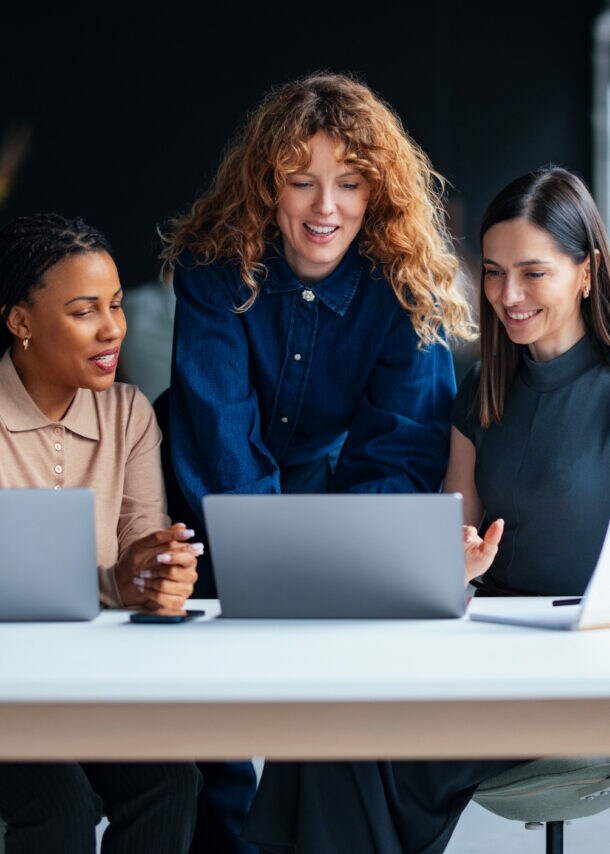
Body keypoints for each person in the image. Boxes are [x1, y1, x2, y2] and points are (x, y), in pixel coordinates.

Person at [159, 70, 504, 853]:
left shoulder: (405, 284)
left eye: (348, 183)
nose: (325, 207)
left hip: (324, 485)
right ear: (264, 186)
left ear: (376, 192)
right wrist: (279, 564)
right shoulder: (217, 271)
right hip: (197, 479)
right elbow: (220, 441)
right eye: (300, 181)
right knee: (207, 696)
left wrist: (340, 561)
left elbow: (400, 450)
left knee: (328, 668)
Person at [244, 165, 610, 853]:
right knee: (330, 711)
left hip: (578, 667)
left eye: (533, 273)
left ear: (586, 271)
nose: (507, 295)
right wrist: (457, 566)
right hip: (488, 648)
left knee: (361, 740)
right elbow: (452, 537)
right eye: (495, 272)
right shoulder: (482, 389)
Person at [0, 213, 203, 853]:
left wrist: (161, 574)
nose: (113, 327)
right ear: (21, 322)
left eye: (115, 305)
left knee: (172, 781)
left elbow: (142, 545)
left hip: (88, 683)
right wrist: (116, 583)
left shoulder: (128, 413)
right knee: (59, 807)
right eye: (84, 310)